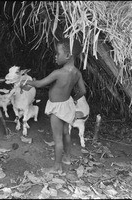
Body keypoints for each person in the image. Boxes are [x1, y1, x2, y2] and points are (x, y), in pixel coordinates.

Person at [20, 38, 86, 173]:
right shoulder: (77, 73)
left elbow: (39, 84)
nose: (55, 56)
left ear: (67, 56)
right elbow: (83, 91)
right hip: (67, 105)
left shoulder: (58, 73)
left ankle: (57, 167)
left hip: (57, 108)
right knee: (66, 133)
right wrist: (74, 99)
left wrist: (28, 82)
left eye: (57, 53)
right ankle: (67, 158)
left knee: (58, 139)